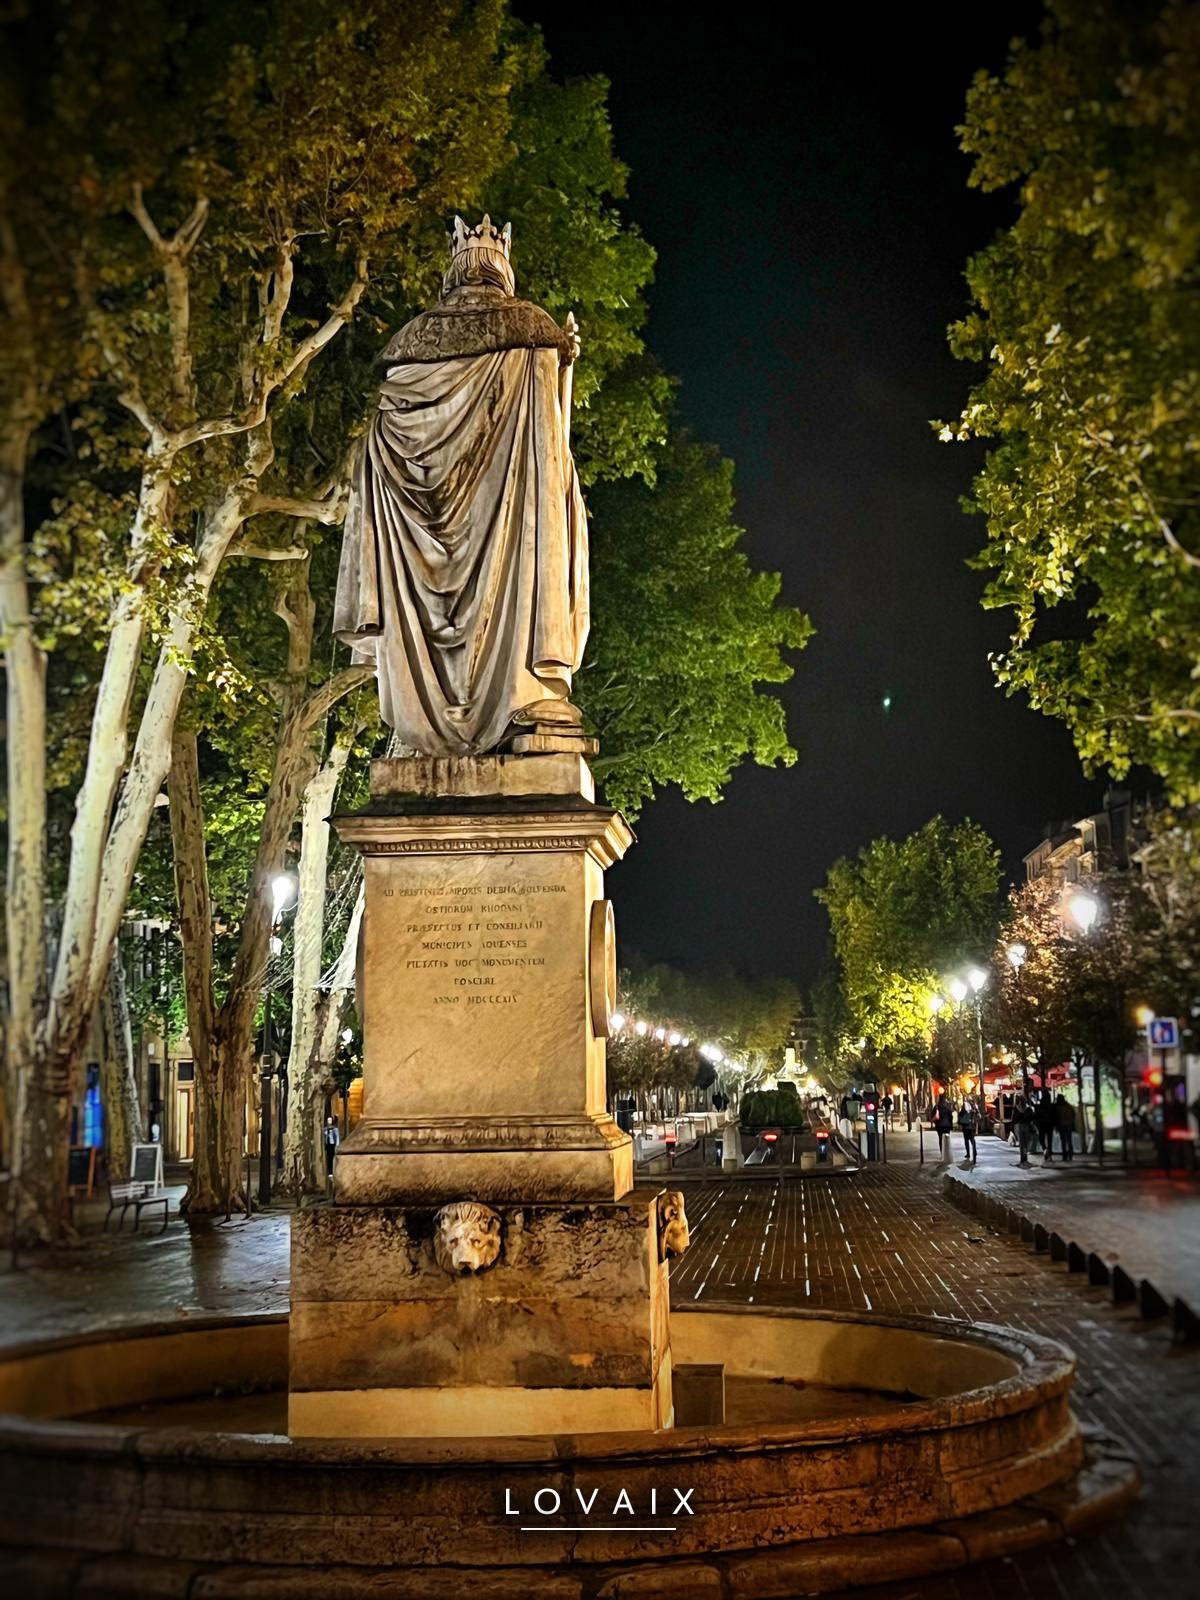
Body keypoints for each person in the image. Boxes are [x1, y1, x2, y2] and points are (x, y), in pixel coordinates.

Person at [1011, 1095, 1035, 1167]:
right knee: (1025, 1144)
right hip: (1026, 1127)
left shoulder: (1016, 1109)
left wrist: (1012, 1129)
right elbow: (1032, 1118)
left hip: (1019, 1127)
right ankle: (1025, 1159)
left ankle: (1023, 1159)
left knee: (1022, 1144)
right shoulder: (1028, 1109)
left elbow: (1013, 1120)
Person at [1034, 1091, 1057, 1162]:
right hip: (1049, 1125)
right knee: (1049, 1140)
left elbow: (1036, 1116)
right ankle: (1048, 1152)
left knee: (1041, 1139)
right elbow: (1055, 1116)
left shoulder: (1040, 1106)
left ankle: (1045, 1150)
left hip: (1042, 1125)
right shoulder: (1052, 1106)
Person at [933, 1094, 954, 1162]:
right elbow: (951, 1116)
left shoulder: (937, 1106)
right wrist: (951, 1125)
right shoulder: (948, 1106)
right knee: (947, 1139)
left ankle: (942, 1153)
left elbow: (933, 1116)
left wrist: (936, 1123)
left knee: (940, 1139)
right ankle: (947, 1153)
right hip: (947, 1125)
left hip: (939, 1126)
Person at [1055, 1094, 1076, 1161]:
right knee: (1069, 1140)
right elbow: (1073, 1114)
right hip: (1068, 1124)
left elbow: (1056, 1117)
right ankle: (1070, 1155)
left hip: (1061, 1125)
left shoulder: (1057, 1107)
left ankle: (1065, 1156)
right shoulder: (1068, 1106)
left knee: (1063, 1141)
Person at [958, 1099, 978, 1164]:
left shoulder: (964, 1109)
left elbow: (960, 1116)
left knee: (966, 1140)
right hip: (972, 1127)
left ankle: (968, 1153)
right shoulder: (975, 1109)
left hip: (965, 1127)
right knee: (972, 1140)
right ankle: (974, 1151)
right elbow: (979, 1116)